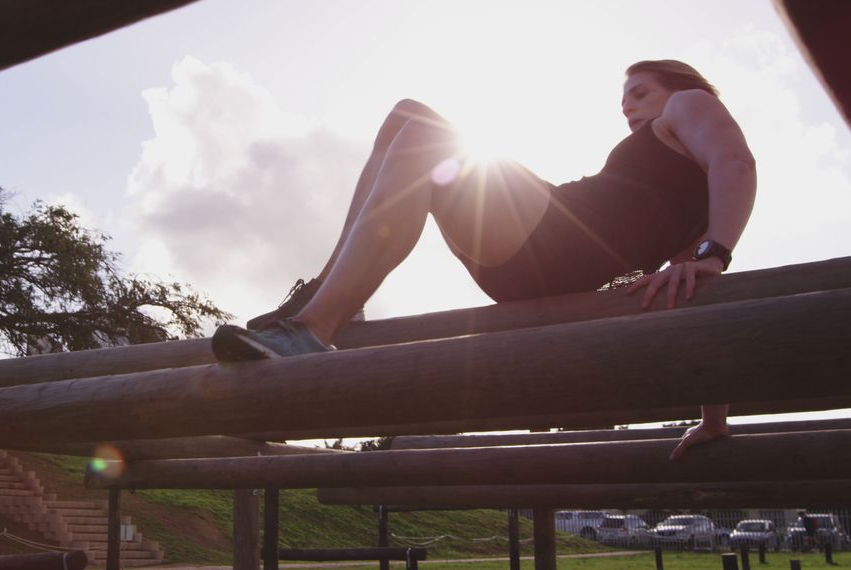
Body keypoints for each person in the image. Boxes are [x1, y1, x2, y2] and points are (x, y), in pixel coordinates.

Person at [212, 60, 756, 460]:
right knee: (408, 116)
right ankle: (328, 300)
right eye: (624, 104)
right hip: (535, 251)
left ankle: (314, 325)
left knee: (424, 133)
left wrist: (715, 255)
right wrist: (713, 418)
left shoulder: (693, 108)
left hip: (552, 240)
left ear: (681, 89)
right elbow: (693, 306)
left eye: (640, 94)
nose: (630, 109)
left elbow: (736, 161)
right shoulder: (687, 211)